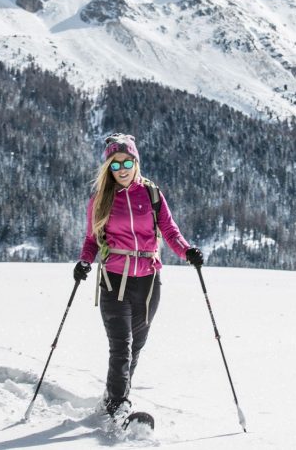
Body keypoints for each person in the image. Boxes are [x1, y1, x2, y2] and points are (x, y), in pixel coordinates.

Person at [73, 133, 204, 423]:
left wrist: (187, 252)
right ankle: (119, 406)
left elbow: (169, 230)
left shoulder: (152, 194)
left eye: (127, 162)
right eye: (115, 165)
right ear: (108, 167)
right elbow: (91, 239)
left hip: (147, 282)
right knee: (121, 346)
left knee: (137, 346)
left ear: (136, 162)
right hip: (114, 280)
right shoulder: (100, 200)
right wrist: (84, 261)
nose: (122, 170)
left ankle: (113, 395)